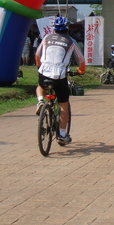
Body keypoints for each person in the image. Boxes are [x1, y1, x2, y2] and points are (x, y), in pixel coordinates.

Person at [35, 16, 86, 146]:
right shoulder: (71, 41)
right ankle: (62, 135)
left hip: (44, 72)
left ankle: (40, 101)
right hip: (59, 76)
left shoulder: (47, 38)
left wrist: (39, 66)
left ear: (54, 29)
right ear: (67, 29)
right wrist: (81, 71)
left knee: (40, 86)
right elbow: (81, 60)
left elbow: (37, 55)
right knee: (64, 104)